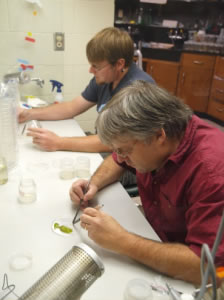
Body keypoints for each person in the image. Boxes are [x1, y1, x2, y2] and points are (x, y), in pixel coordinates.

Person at [69, 80, 224, 285]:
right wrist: (93, 184)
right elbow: (117, 160)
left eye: (125, 150)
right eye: (117, 150)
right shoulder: (157, 137)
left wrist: (122, 241)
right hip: (157, 236)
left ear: (159, 135)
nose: (120, 157)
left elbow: (207, 269)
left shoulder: (212, 172)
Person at [18, 27, 154, 153]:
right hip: (109, 144)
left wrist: (59, 143)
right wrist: (28, 114)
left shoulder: (138, 90)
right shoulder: (105, 79)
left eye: (96, 66)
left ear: (119, 64)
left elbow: (115, 141)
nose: (91, 70)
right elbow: (72, 107)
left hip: (128, 160)